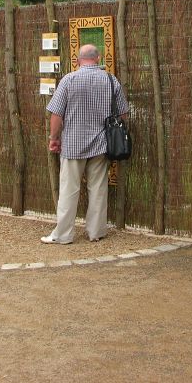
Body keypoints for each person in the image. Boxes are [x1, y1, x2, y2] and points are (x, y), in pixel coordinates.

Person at [41, 44, 129, 244]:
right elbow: (123, 113)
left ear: (78, 60)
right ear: (97, 58)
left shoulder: (69, 80)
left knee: (69, 190)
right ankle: (96, 232)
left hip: (72, 145)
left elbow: (56, 114)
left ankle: (63, 235)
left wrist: (54, 139)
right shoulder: (110, 80)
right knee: (98, 188)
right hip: (101, 143)